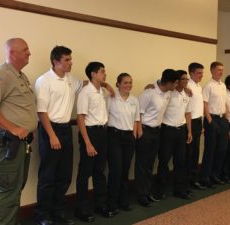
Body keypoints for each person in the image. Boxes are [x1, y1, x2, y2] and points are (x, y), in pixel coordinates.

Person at [0, 38, 38, 225]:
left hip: (22, 142)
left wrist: (28, 129)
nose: (29, 53)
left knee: (16, 185)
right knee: (8, 187)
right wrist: (13, 128)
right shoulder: (0, 74)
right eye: (25, 49)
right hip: (8, 143)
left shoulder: (21, 76)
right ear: (12, 53)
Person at [34, 46, 82, 225]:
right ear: (56, 62)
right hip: (50, 130)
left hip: (66, 129)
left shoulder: (71, 79)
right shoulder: (44, 80)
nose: (71, 63)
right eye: (67, 60)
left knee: (64, 175)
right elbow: (42, 112)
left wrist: (106, 84)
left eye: (70, 59)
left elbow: (85, 84)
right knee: (48, 176)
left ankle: (58, 212)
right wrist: (52, 136)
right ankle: (42, 216)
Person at [75, 62, 114, 223]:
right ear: (93, 74)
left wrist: (106, 84)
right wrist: (88, 143)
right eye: (102, 72)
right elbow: (80, 118)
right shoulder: (86, 92)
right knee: (85, 173)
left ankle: (100, 204)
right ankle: (81, 209)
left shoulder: (101, 91)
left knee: (100, 171)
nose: (105, 74)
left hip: (102, 132)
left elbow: (104, 84)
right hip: (89, 134)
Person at [135, 69, 179, 207]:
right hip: (145, 131)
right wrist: (140, 132)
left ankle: (147, 192)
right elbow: (139, 114)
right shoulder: (149, 93)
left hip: (157, 131)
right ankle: (141, 195)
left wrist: (187, 90)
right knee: (142, 164)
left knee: (150, 164)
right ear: (170, 82)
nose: (177, 85)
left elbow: (181, 90)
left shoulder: (169, 92)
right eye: (176, 83)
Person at [156, 70, 192, 200]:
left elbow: (188, 113)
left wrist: (189, 131)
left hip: (181, 131)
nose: (185, 82)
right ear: (176, 81)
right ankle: (160, 190)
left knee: (180, 162)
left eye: (187, 80)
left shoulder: (187, 94)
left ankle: (179, 189)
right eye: (183, 79)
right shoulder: (168, 93)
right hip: (167, 130)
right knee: (164, 161)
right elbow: (157, 85)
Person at [106, 73, 140, 212]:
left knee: (125, 170)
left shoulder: (134, 100)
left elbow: (136, 119)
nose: (128, 85)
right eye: (125, 82)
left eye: (130, 82)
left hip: (128, 138)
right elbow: (105, 117)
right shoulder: (111, 98)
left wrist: (134, 134)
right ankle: (112, 202)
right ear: (118, 84)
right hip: (114, 136)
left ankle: (123, 200)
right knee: (116, 170)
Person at [200, 61, 229, 188]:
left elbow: (224, 104)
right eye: (218, 70)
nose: (221, 72)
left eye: (222, 70)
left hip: (222, 119)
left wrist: (226, 118)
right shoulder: (208, 86)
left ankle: (215, 175)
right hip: (212, 119)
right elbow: (204, 104)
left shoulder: (223, 86)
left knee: (221, 149)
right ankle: (205, 177)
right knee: (210, 150)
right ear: (212, 71)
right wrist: (210, 121)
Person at [186, 62, 205, 190]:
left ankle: (193, 179)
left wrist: (202, 124)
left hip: (198, 121)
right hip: (189, 122)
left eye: (202, 73)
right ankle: (187, 181)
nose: (201, 75)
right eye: (199, 73)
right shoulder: (186, 86)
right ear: (191, 73)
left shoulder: (199, 86)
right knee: (189, 153)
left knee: (195, 152)